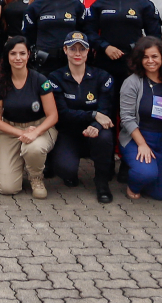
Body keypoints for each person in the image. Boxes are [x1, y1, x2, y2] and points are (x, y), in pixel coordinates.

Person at [49, 30, 116, 202]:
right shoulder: (55, 78)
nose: (77, 53)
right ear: (65, 50)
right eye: (73, 49)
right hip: (69, 133)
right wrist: (92, 115)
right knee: (65, 170)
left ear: (89, 51)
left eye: (82, 49)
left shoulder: (102, 77)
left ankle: (101, 184)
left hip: (95, 132)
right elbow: (63, 114)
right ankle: (71, 168)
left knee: (105, 137)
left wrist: (96, 125)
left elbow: (106, 111)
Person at [0, 36, 59, 198]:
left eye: (22, 53)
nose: (18, 58)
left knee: (34, 148)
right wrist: (20, 133)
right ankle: (18, 163)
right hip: (10, 130)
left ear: (28, 55)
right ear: (7, 57)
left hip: (38, 127)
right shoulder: (0, 82)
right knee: (7, 188)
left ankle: (35, 177)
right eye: (13, 54)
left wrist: (35, 132)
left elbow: (52, 115)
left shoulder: (40, 80)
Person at [119, 35, 162, 201]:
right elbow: (127, 117)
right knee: (145, 173)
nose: (150, 61)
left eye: (154, 56)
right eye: (145, 57)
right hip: (138, 138)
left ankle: (149, 175)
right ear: (139, 59)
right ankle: (134, 183)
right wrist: (142, 144)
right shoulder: (132, 82)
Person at [84, 0, 160, 79]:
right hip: (105, 62)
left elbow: (155, 36)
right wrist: (105, 47)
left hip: (134, 62)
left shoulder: (143, 3)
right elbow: (89, 31)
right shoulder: (99, 4)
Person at [22, 0, 86, 71]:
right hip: (44, 61)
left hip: (70, 60)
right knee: (46, 88)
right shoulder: (34, 6)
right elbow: (28, 35)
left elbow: (83, 29)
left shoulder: (75, 4)